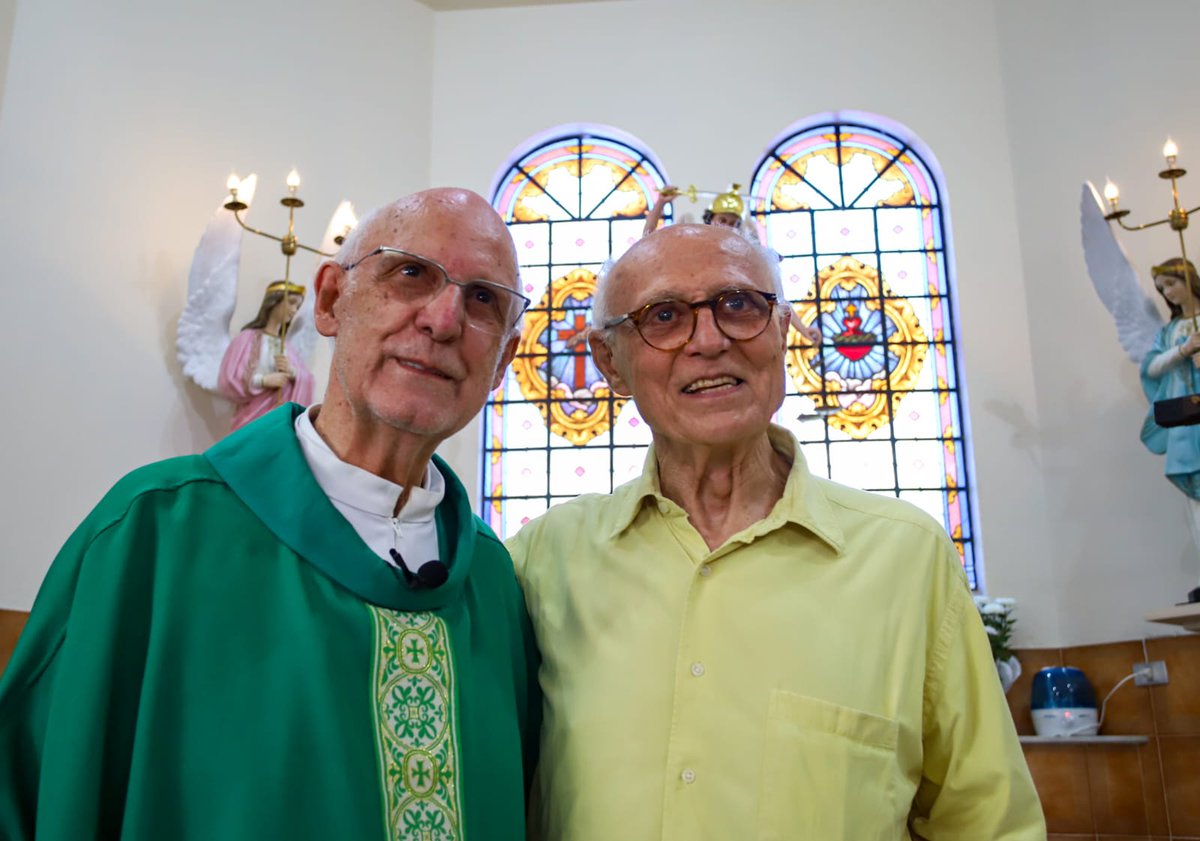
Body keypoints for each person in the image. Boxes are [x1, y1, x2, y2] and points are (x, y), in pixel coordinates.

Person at [0, 188, 541, 841]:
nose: (444, 318)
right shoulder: (152, 534)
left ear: (505, 360)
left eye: (484, 299)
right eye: (410, 273)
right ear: (331, 298)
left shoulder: (493, 581)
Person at [508, 223, 1045, 840]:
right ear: (610, 363)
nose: (708, 341)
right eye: (663, 316)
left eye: (739, 305)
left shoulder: (907, 557)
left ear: (782, 333)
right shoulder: (542, 561)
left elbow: (987, 822)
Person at [644, 183, 822, 345]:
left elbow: (778, 298)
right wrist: (661, 202)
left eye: (733, 223)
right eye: (723, 221)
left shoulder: (745, 259)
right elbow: (649, 239)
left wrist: (804, 331)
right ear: (710, 219)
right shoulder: (691, 247)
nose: (728, 227)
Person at [217, 279, 316, 430]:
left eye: (297, 306)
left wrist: (292, 372)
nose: (294, 310)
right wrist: (263, 380)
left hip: (277, 421)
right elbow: (229, 378)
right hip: (251, 417)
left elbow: (308, 380)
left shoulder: (287, 347)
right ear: (273, 302)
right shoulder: (247, 338)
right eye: (290, 302)